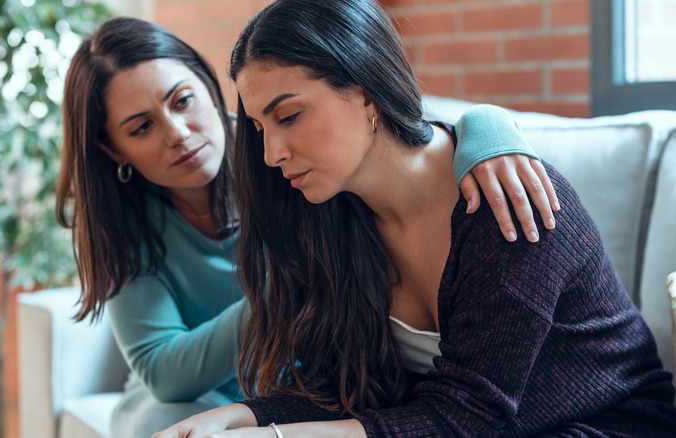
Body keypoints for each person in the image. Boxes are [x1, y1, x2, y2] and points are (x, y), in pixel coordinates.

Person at [152, 0, 676, 437]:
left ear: (367, 94)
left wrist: (277, 436)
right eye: (262, 127)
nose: (272, 153)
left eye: (289, 116)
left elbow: (468, 416)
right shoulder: (335, 219)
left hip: (608, 424)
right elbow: (345, 394)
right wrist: (240, 416)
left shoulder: (505, 203)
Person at [56, 16, 561, 437]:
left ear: (209, 89)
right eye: (142, 127)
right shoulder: (135, 220)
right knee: (169, 422)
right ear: (112, 150)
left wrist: (491, 129)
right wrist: (291, 286)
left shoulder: (294, 164)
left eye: (183, 100)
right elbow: (166, 375)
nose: (179, 134)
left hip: (302, 383)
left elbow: (399, 131)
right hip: (225, 392)